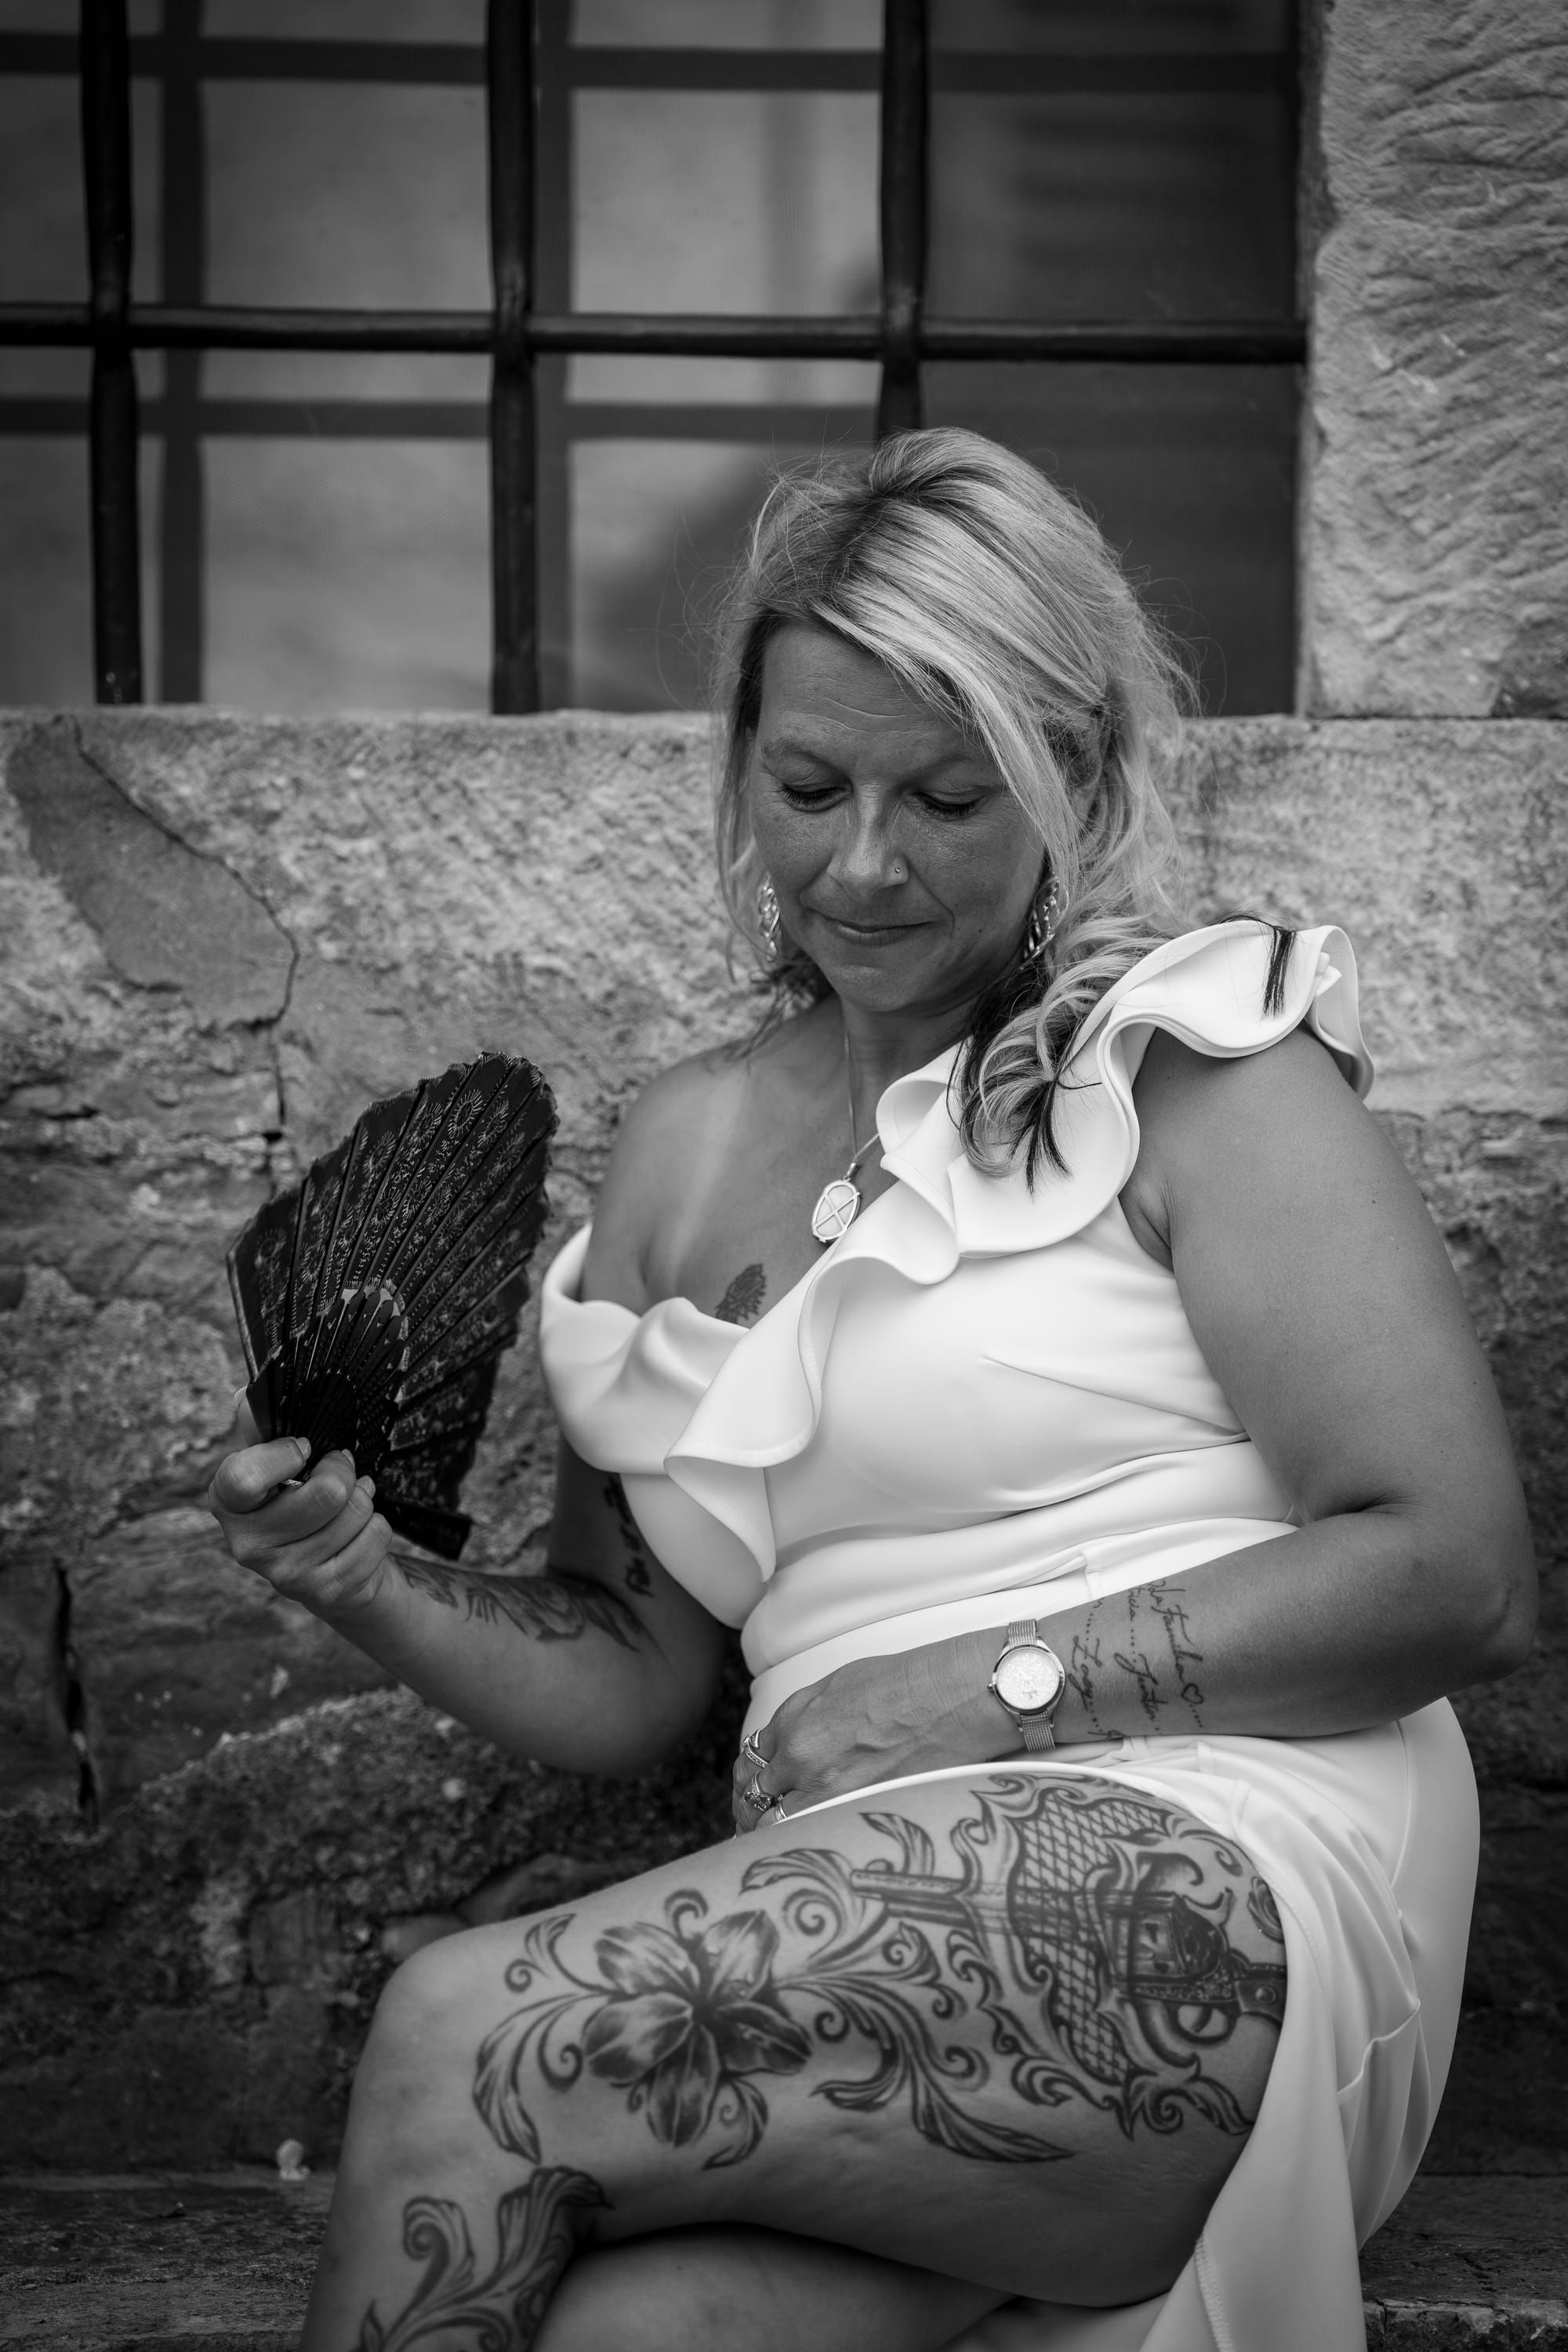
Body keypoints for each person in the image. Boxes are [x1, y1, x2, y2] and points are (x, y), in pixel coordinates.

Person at [208, 430, 1534, 2352]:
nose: (863, 863)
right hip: (861, 1934)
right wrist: (360, 1576)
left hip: (1229, 1848)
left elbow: (1452, 1571)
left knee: (468, 2038)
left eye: (947, 796)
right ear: (740, 766)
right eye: (810, 786)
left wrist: (978, 1691)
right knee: (631, 2337)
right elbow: (634, 1672)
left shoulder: (1183, 1061)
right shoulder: (680, 1151)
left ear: (1074, 777)